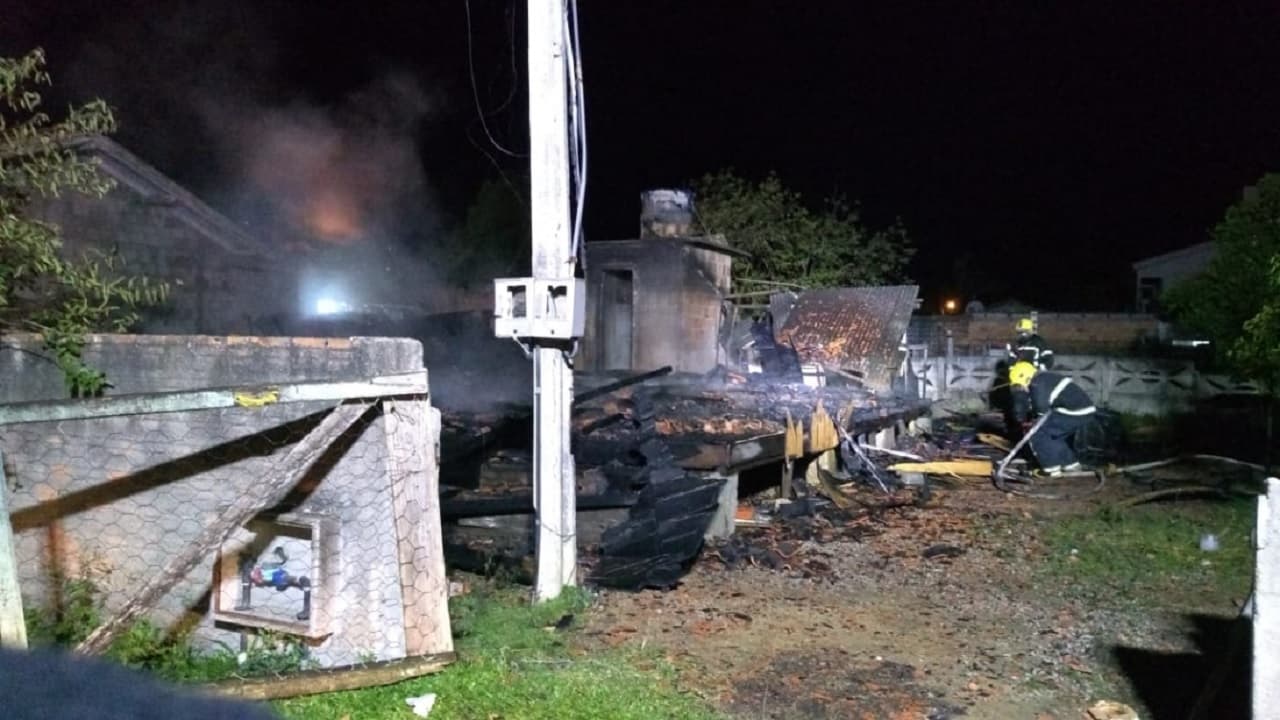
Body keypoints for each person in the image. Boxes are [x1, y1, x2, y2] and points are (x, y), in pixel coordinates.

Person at [1009, 361, 1096, 477]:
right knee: (1054, 436)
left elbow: (1041, 409)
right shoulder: (1044, 378)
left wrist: (1032, 423)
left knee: (1037, 434)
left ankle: (1051, 469)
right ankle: (1070, 464)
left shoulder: (1038, 384)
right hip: (1082, 410)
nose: (1020, 388)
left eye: (1019, 385)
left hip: (1074, 412)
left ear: (1025, 377)